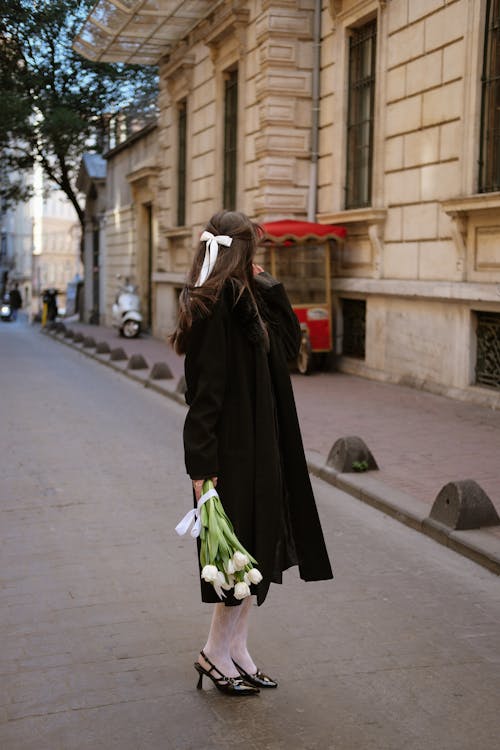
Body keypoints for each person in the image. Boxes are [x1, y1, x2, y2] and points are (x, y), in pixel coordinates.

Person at [171, 210, 333, 696]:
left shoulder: (247, 300)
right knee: (234, 561)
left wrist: (273, 289)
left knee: (255, 555)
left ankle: (236, 650)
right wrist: (202, 473)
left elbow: (286, 345)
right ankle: (213, 654)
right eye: (254, 251)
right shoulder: (211, 305)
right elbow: (203, 399)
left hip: (263, 445)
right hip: (230, 457)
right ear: (241, 250)